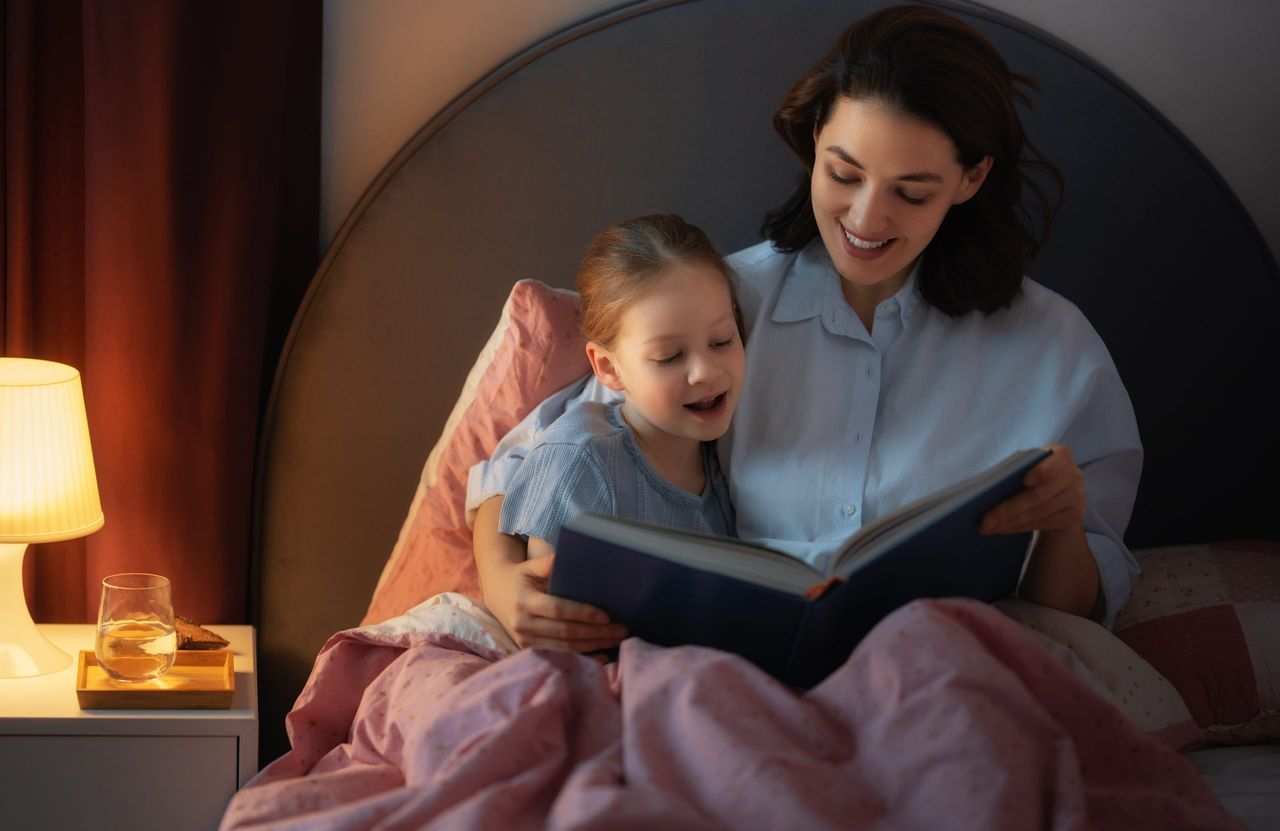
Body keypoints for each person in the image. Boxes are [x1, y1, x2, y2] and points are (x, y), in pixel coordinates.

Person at [469, 3, 1141, 653]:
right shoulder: (722, 307)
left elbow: (1076, 611)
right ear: (814, 136)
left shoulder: (1053, 348)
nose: (866, 220)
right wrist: (503, 586)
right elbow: (529, 461)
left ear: (971, 178)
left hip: (938, 672)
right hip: (734, 666)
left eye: (912, 191)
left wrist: (1060, 524)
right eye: (843, 174)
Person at [475, 214, 746, 650]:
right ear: (608, 367)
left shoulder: (725, 461)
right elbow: (551, 637)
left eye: (721, 341)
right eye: (669, 356)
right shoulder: (582, 461)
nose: (706, 372)